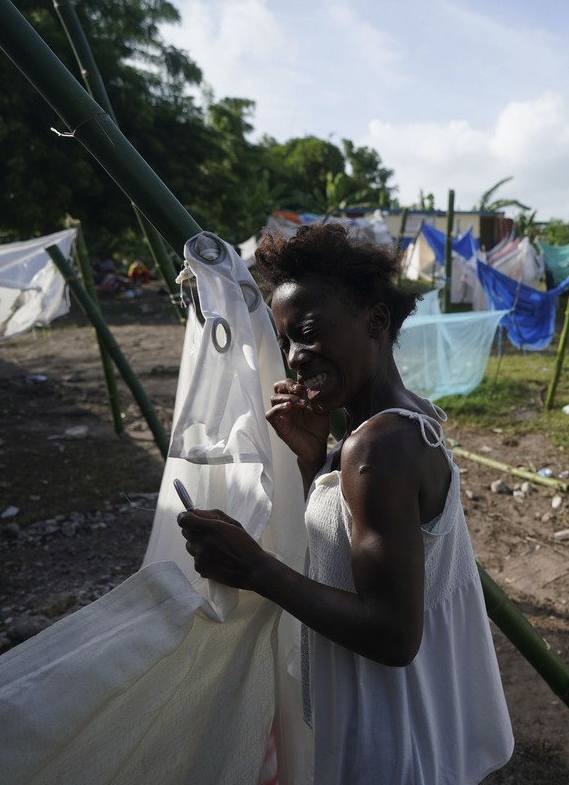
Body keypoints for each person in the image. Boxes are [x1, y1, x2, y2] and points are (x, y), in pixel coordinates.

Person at [176, 222, 513, 782]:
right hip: (418, 721)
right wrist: (316, 464)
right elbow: (364, 557)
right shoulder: (411, 419)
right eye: (285, 342)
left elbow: (392, 635)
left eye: (307, 333)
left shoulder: (376, 449)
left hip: (390, 738)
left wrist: (256, 569)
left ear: (375, 322)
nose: (295, 358)